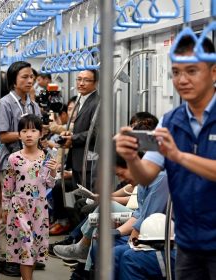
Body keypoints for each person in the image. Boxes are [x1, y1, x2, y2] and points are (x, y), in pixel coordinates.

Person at [115, 35, 216, 279]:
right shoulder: (170, 121)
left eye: (192, 71)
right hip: (187, 240)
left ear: (213, 72)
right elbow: (147, 175)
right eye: (176, 72)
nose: (182, 80)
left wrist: (178, 156)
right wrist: (130, 158)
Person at [0, 61, 42, 276]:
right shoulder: (5, 104)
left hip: (32, 167)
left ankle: (29, 254)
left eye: (31, 77)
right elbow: (2, 135)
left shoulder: (33, 105)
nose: (29, 81)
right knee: (9, 211)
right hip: (11, 163)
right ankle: (7, 257)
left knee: (31, 213)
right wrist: (27, 133)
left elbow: (39, 131)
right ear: (13, 80)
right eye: (24, 77)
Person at [2, 114, 57, 280]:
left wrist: (54, 171)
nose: (29, 134)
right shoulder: (14, 158)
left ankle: (26, 276)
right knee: (26, 244)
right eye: (24, 130)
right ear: (19, 135)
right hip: (19, 206)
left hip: (39, 208)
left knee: (35, 247)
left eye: (33, 130)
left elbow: (49, 184)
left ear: (40, 133)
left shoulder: (47, 157)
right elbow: (8, 185)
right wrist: (5, 208)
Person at [60, 70, 100, 189]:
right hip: (79, 159)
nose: (81, 83)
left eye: (86, 80)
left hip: (88, 160)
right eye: (79, 79)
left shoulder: (97, 102)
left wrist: (72, 138)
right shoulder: (82, 99)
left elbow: (96, 132)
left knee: (85, 200)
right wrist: (70, 134)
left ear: (96, 83)